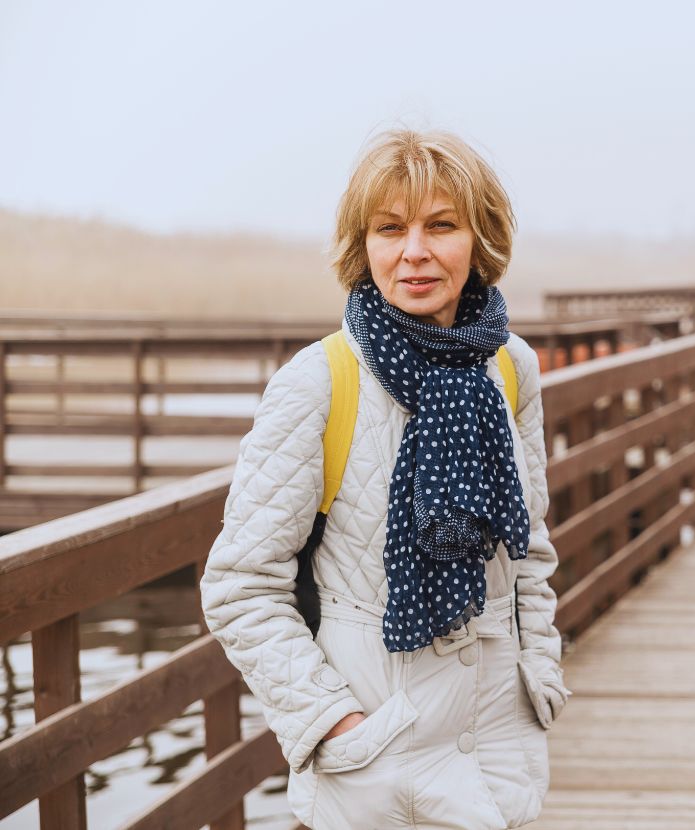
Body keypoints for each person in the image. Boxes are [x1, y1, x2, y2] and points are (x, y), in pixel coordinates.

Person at [201, 128, 569, 830]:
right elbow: (240, 585)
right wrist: (335, 723)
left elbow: (532, 547)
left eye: (441, 225)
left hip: (497, 757)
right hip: (375, 776)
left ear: (479, 238)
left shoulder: (509, 367)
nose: (414, 252)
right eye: (390, 228)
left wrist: (539, 675)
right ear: (363, 245)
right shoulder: (319, 382)